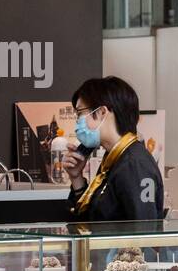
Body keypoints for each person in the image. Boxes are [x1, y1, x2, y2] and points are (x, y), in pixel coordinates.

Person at [61, 76, 165, 221]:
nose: (77, 122)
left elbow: (143, 232)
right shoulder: (112, 160)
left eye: (79, 113)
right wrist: (76, 177)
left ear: (102, 112)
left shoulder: (134, 164)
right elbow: (90, 223)